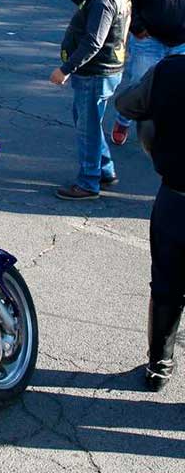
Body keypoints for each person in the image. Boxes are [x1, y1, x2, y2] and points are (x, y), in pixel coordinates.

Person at [114, 53, 185, 391]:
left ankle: (159, 366)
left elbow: (126, 104)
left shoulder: (170, 70)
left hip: (176, 196)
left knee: (166, 284)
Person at [48, 0, 131, 200]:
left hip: (96, 73)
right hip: (105, 71)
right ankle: (104, 170)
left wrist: (65, 69)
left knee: (88, 128)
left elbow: (94, 41)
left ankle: (88, 182)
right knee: (90, 122)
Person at [110, 0, 185, 146]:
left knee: (176, 90)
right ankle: (123, 120)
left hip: (181, 42)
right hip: (148, 39)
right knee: (139, 84)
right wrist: (136, 26)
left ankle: (165, 134)